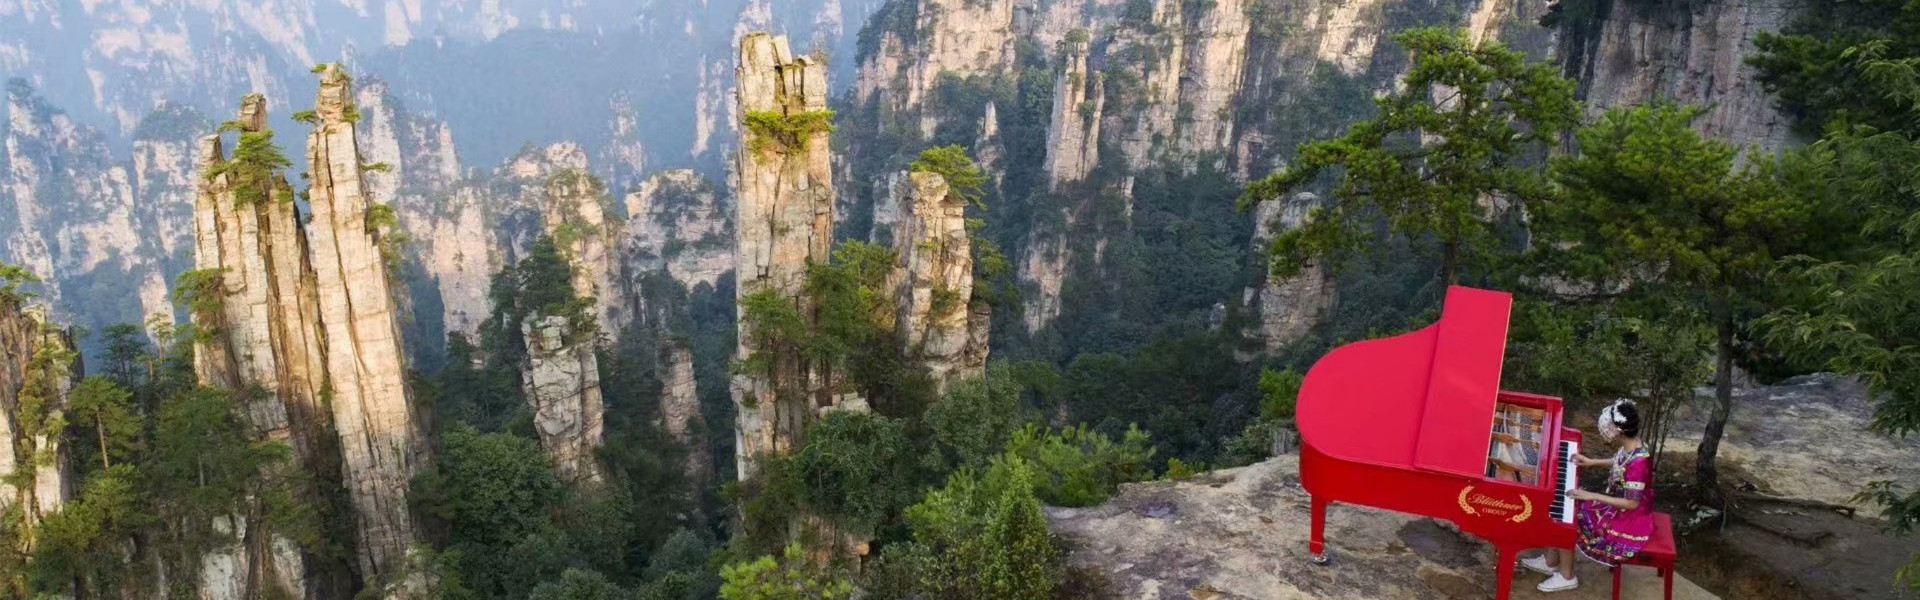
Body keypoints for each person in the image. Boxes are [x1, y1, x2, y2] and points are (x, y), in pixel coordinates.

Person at [1520, 399, 1656, 592]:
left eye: (1609, 424)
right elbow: (1620, 462)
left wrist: (1591, 495)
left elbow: (1632, 503)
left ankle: (1567, 575)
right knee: (1568, 503)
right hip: (1620, 507)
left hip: (1630, 519)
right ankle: (1552, 561)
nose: (1605, 427)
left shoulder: (1640, 463)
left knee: (1571, 515)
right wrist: (1592, 462)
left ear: (1619, 430)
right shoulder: (1634, 445)